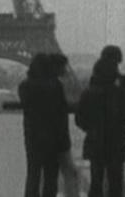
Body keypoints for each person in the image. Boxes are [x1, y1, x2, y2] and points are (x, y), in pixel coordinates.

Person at [75, 45, 125, 197]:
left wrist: (91, 129)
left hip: (95, 142)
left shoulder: (88, 93)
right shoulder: (119, 93)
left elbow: (79, 119)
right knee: (115, 183)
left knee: (96, 182)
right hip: (116, 143)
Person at [19, 53, 68, 197]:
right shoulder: (56, 86)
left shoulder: (24, 86)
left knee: (33, 174)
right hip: (52, 138)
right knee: (50, 177)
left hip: (32, 138)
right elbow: (61, 114)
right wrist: (64, 141)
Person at [47, 53, 79, 197]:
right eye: (63, 66)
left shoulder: (44, 85)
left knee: (49, 176)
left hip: (46, 140)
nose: (66, 69)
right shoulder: (56, 86)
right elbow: (60, 114)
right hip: (59, 140)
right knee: (70, 173)